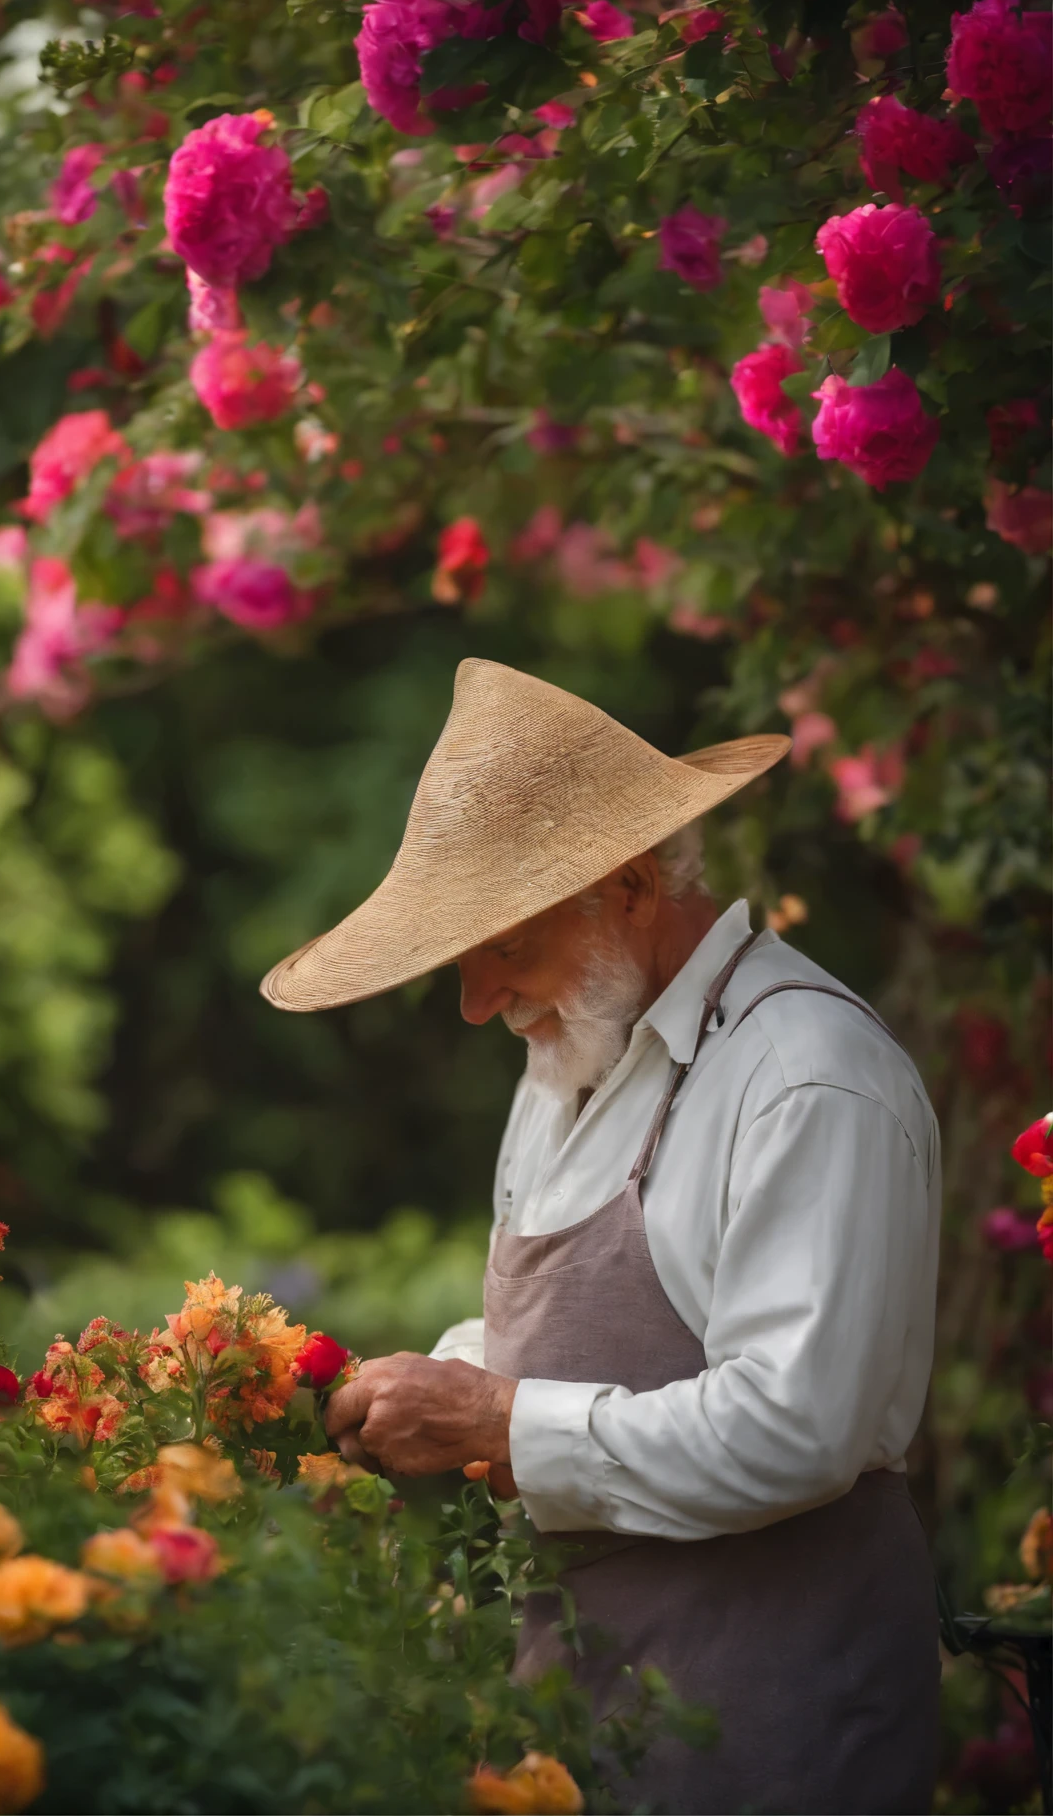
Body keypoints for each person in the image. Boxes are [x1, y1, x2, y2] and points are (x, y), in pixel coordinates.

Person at [261, 659, 942, 1816]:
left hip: (774, 1728)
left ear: (627, 886)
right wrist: (439, 1381)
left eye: (503, 950)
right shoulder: (569, 1059)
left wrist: (497, 1418)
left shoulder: (806, 1077)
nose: (478, 1002)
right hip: (577, 1721)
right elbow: (571, 1342)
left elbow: (797, 1427)